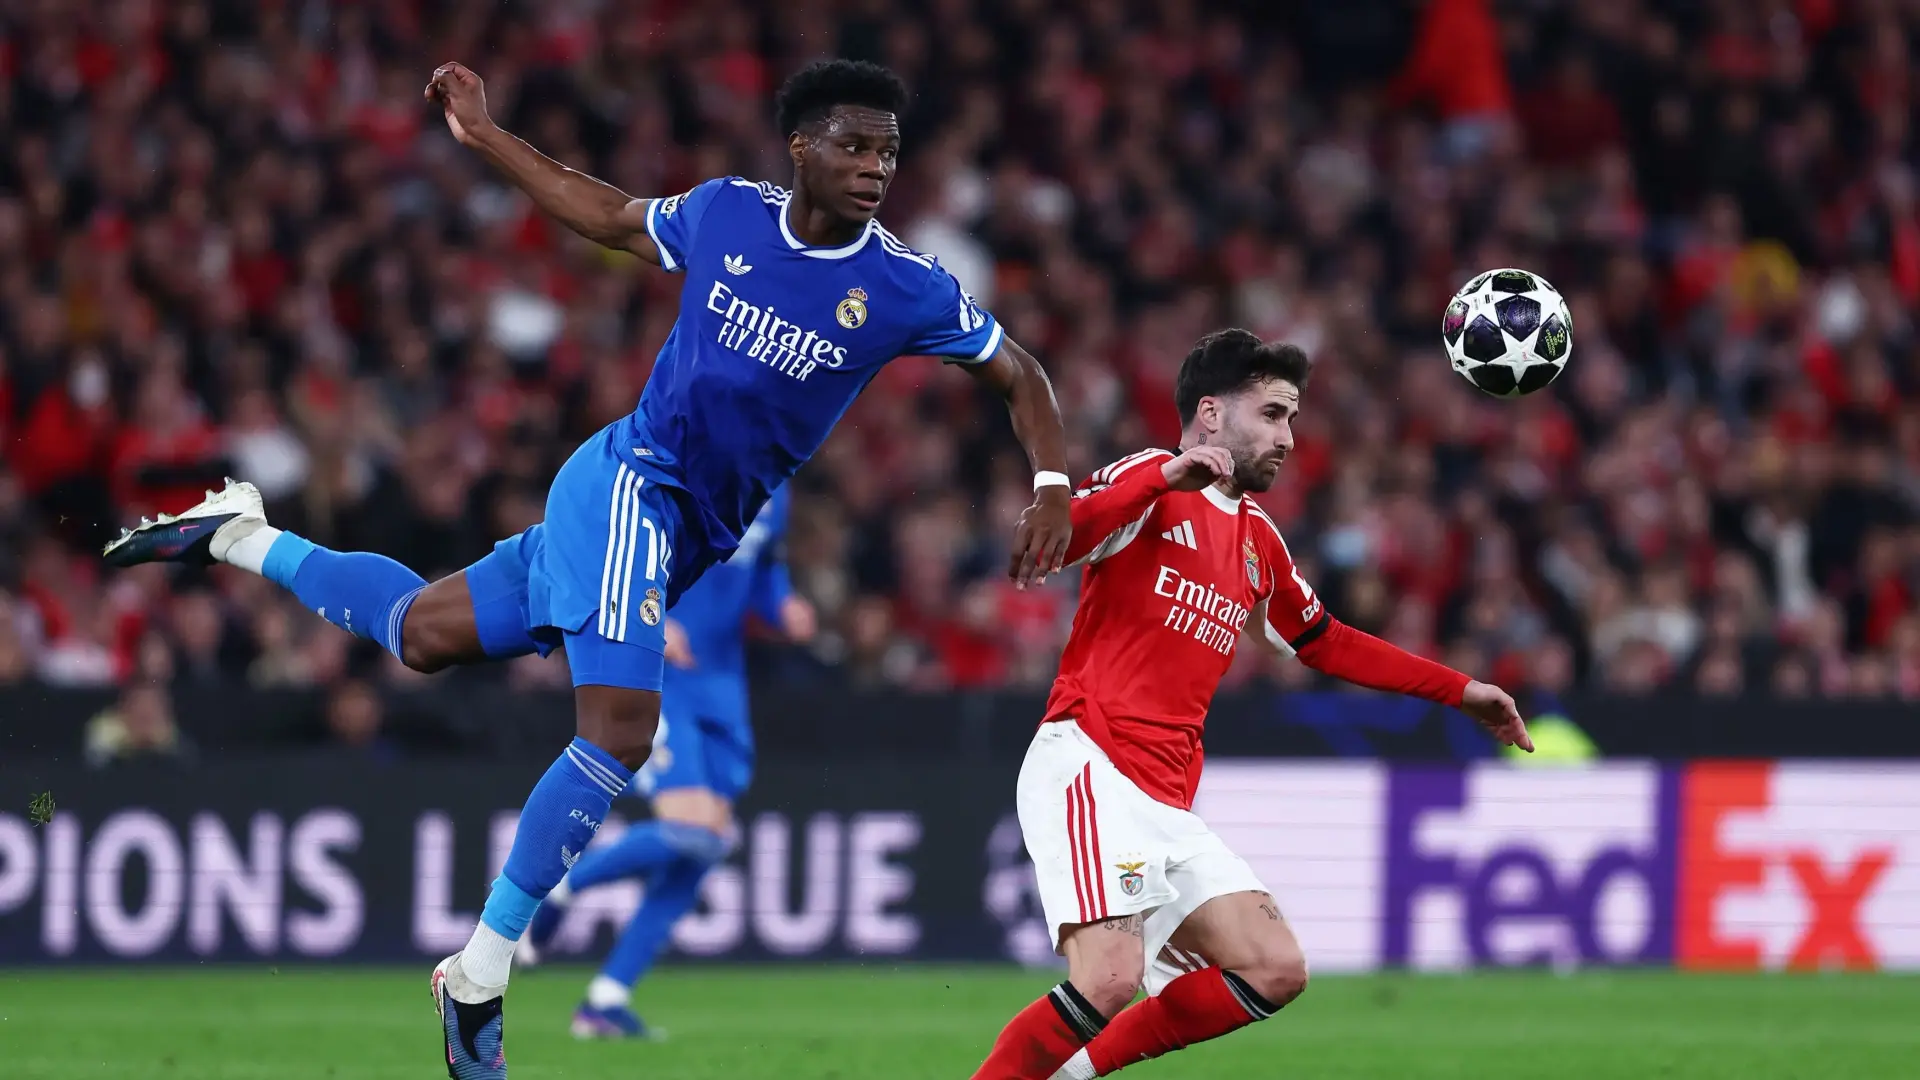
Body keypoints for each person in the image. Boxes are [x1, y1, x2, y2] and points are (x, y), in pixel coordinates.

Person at [102, 59, 1073, 1080]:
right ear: (801, 148)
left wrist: (1051, 483)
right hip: (631, 485)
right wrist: (486, 135)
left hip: (688, 535)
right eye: (854, 145)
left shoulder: (906, 286)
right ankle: (479, 973)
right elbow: (607, 215)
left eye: (888, 152)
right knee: (620, 730)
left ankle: (238, 535)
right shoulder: (728, 213)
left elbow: (1021, 374)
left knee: (421, 634)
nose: (875, 167)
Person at [970, 330, 1531, 1080]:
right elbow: (1058, 539)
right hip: (1091, 763)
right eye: (1272, 414)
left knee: (1273, 966)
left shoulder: (1258, 541)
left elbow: (1327, 642)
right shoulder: (1148, 480)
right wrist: (1162, 478)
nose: (1288, 438)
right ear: (1210, 414)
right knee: (1107, 977)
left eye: (1291, 418)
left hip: (1167, 799)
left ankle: (1069, 1074)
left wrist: (1460, 690)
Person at [520, 486, 814, 1039]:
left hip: (723, 683)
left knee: (706, 843)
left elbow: (763, 568)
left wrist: (783, 604)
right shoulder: (688, 460)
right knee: (690, 829)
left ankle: (606, 1001)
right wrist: (649, 614)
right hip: (663, 671)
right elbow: (621, 544)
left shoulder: (776, 485)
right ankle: (560, 889)